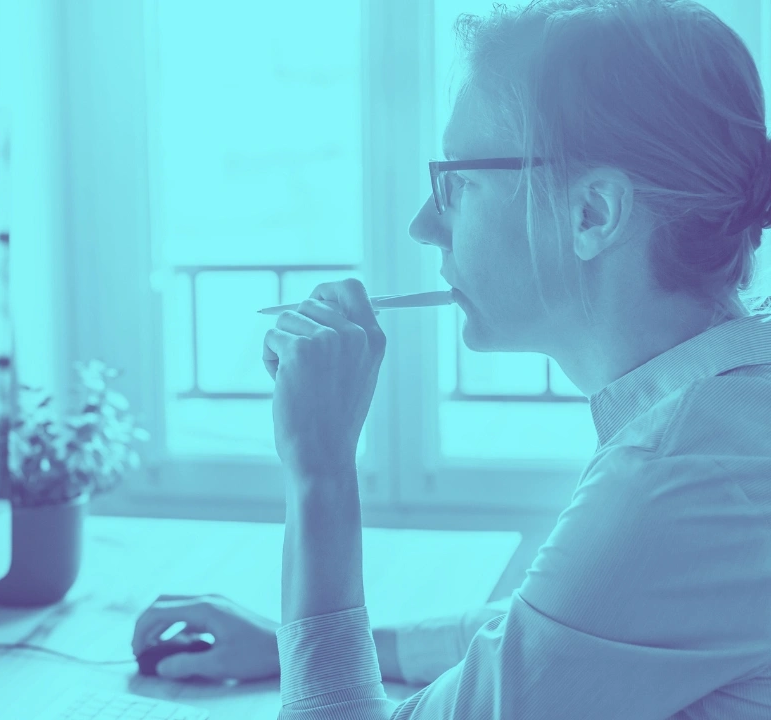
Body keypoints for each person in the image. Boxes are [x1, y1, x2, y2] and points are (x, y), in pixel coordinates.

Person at [133, 0, 771, 717]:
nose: (423, 224)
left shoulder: (677, 478)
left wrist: (320, 470)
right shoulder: (728, 411)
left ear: (593, 213)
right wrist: (297, 643)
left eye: (458, 183)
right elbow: (553, 628)